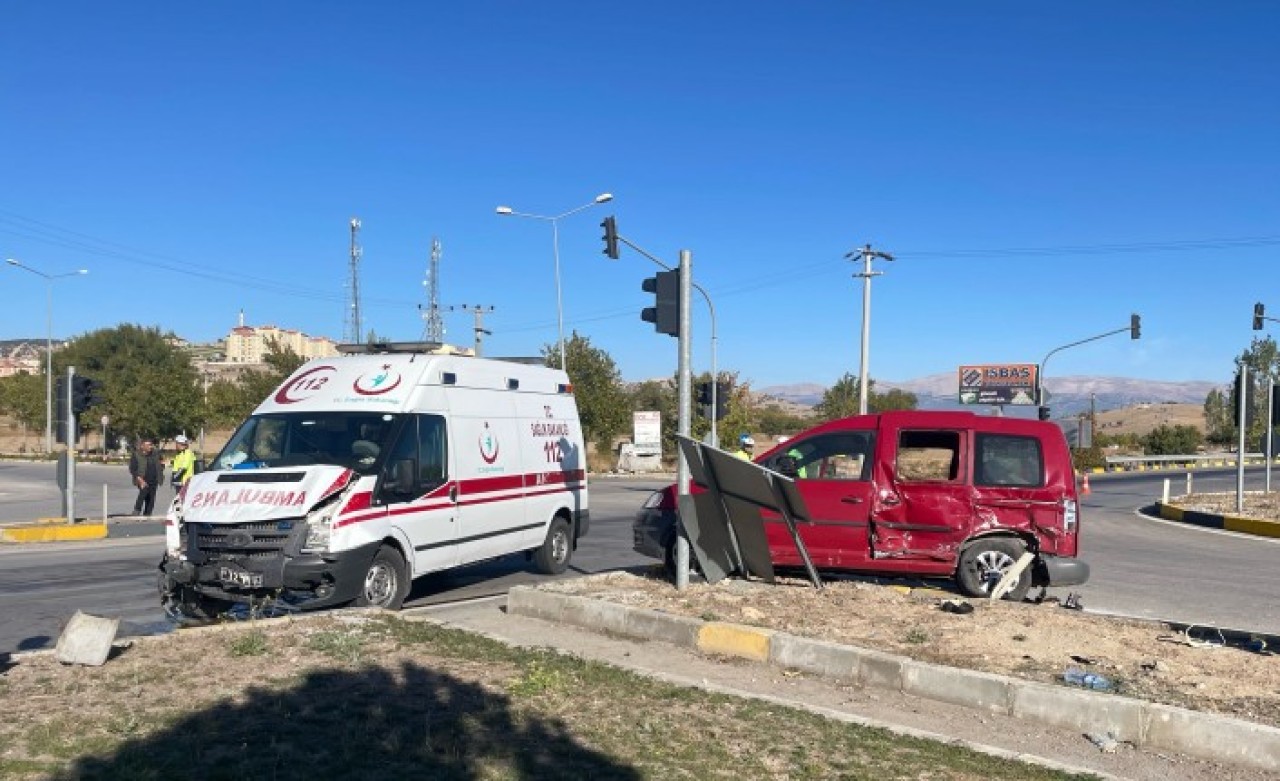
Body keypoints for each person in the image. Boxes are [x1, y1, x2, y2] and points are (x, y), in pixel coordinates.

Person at [130, 437, 163, 516]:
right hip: (142, 479)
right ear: (142, 446)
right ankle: (136, 511)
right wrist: (140, 480)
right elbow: (133, 469)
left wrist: (161, 467)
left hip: (154, 479)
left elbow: (161, 461)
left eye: (151, 445)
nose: (150, 447)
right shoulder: (136, 454)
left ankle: (147, 515)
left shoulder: (155, 453)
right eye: (148, 445)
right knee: (143, 493)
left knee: (151, 499)